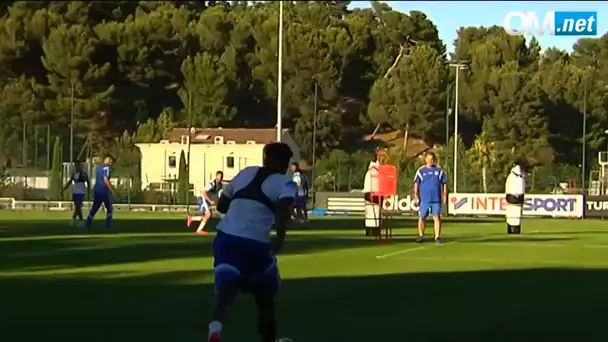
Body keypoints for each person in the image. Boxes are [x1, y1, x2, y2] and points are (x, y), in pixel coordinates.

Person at [207, 142, 297, 342]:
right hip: (254, 243)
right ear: (285, 163)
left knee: (226, 290)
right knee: (265, 296)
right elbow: (284, 209)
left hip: (225, 239)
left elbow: (221, 206)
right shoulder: (286, 183)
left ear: (265, 158)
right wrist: (280, 238)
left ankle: (215, 329)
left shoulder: (245, 173)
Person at [413, 151, 447, 243]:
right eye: (428, 159)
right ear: (425, 159)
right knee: (422, 217)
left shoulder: (439, 170)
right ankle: (421, 235)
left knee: (436, 217)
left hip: (436, 199)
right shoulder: (421, 170)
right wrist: (416, 194)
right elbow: (416, 183)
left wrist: (444, 195)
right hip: (424, 199)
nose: (430, 161)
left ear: (434, 160)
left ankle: (437, 237)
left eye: (432, 159)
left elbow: (444, 184)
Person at [84, 154, 116, 231]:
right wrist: (111, 190)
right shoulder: (106, 168)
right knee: (109, 208)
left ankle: (87, 224)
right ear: (108, 159)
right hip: (104, 191)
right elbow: (105, 180)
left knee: (95, 207)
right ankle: (108, 226)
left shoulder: (99, 168)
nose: (111, 163)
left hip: (97, 190)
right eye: (111, 161)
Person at [188, 171, 224, 235]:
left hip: (207, 200)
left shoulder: (220, 185)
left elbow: (216, 195)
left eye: (221, 177)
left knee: (208, 216)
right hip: (202, 198)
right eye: (219, 176)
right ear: (216, 176)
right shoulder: (211, 183)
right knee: (208, 214)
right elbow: (204, 192)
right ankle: (199, 230)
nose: (220, 178)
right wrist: (210, 201)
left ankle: (192, 218)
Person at [63, 161, 89, 227]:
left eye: (78, 165)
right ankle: (77, 220)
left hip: (81, 192)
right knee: (77, 207)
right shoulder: (74, 174)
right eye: (76, 165)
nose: (77, 167)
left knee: (78, 206)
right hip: (75, 192)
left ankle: (77, 220)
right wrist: (64, 189)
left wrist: (89, 191)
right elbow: (69, 182)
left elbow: (88, 181)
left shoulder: (83, 173)